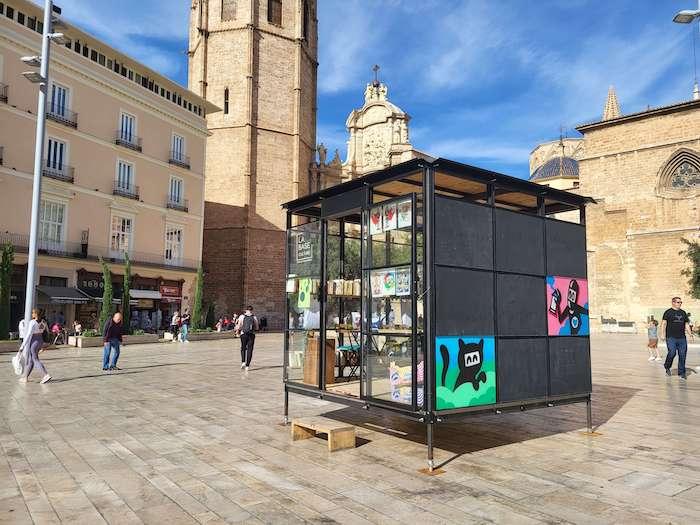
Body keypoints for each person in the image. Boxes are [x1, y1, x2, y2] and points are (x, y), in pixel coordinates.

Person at [661, 297, 695, 379]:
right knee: (672, 352)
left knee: (682, 355)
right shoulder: (668, 312)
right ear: (673, 302)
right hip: (671, 337)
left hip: (682, 338)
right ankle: (667, 366)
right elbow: (663, 323)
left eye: (681, 302)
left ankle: (682, 373)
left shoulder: (683, 312)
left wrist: (690, 335)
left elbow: (686, 324)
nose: (680, 304)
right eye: (678, 302)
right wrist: (662, 334)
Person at [18, 309, 51, 384]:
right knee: (31, 360)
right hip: (40, 340)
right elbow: (47, 332)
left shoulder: (32, 322)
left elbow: (29, 334)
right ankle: (25, 377)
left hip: (34, 341)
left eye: (33, 313)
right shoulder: (44, 322)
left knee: (35, 359)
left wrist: (22, 346)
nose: (32, 314)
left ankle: (45, 375)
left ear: (36, 314)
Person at [235, 305, 259, 371]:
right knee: (250, 350)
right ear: (252, 310)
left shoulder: (242, 316)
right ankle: (247, 366)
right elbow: (257, 327)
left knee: (243, 348)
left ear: (246, 310)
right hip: (251, 335)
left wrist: (237, 331)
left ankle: (243, 362)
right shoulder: (254, 317)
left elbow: (239, 325)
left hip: (243, 334)